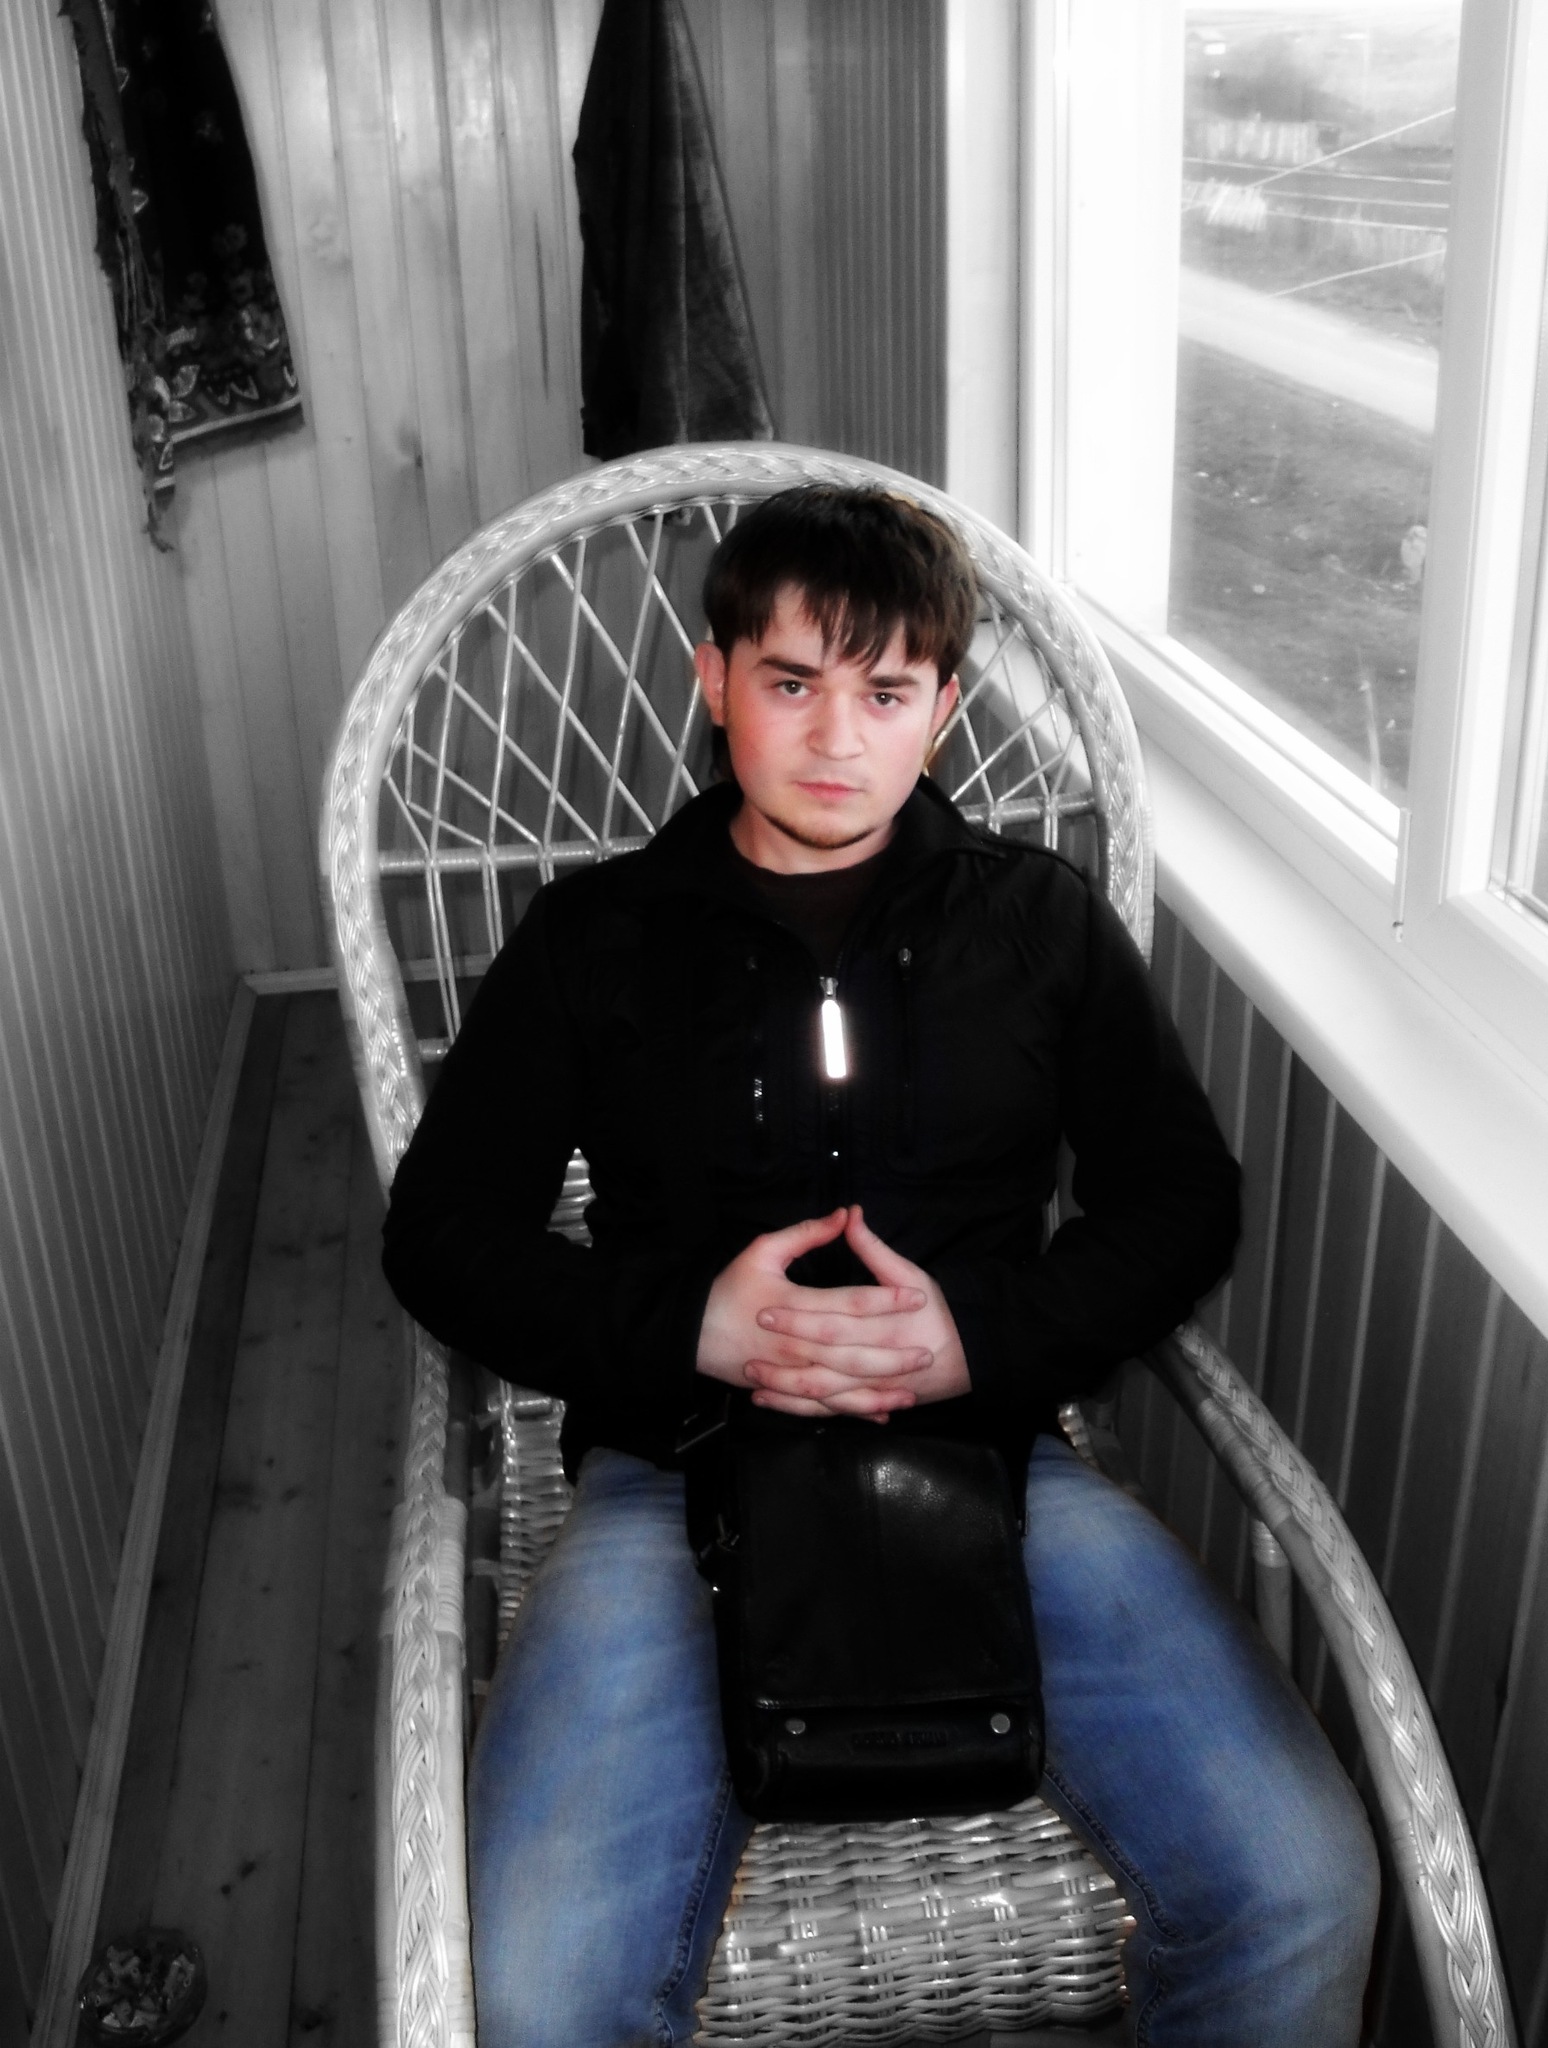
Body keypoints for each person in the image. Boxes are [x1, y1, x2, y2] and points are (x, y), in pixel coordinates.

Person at [381, 486, 1379, 2048]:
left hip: (993, 1466)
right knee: (535, 1981)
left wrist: (982, 1334)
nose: (836, 740)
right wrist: (691, 1327)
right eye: (790, 683)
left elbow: (1179, 1197)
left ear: (943, 710)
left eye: (887, 692)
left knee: (1301, 1886)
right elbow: (439, 1233)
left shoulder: (1035, 923)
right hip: (672, 1475)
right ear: (714, 682)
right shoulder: (593, 937)